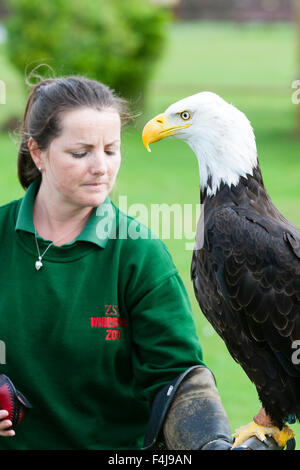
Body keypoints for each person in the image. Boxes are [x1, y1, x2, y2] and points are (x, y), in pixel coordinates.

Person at [0, 74, 233, 450]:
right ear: (38, 152)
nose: (101, 167)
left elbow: (176, 381)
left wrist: (209, 444)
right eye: (81, 153)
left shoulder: (139, 254)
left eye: (111, 149)